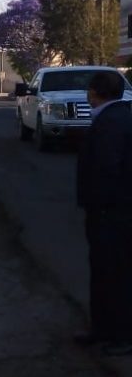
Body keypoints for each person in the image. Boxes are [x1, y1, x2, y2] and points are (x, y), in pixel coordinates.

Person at [75, 70, 132, 356]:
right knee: (102, 271)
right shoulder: (116, 116)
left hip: (112, 213)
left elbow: (107, 170)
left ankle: (122, 335)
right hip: (109, 211)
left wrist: (100, 206)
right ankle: (101, 329)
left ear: (95, 93)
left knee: (116, 273)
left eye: (89, 90)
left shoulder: (111, 123)